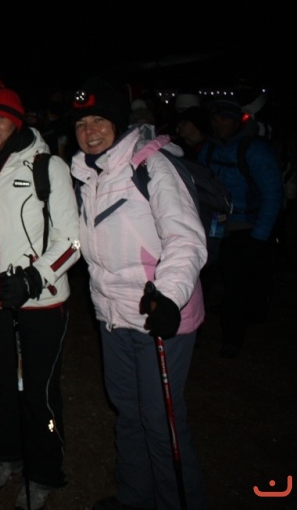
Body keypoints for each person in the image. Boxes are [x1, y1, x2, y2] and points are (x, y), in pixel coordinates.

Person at [69, 78, 208, 510]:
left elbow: (185, 238)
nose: (90, 131)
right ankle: (134, 497)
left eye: (100, 120)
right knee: (128, 412)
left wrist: (169, 297)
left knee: (161, 422)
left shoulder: (152, 165)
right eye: (82, 124)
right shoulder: (86, 176)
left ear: (118, 123)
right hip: (113, 317)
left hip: (158, 317)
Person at [0, 78, 81, 510]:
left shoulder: (48, 167)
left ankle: (44, 471)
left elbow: (71, 239)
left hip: (41, 303)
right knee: (2, 386)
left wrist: (34, 278)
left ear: (16, 121)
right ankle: (7, 455)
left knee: (38, 392)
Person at [197, 98, 283, 358]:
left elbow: (272, 195)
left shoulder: (254, 150)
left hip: (245, 226)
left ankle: (232, 339)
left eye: (224, 118)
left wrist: (259, 237)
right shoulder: (209, 148)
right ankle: (192, 330)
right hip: (215, 224)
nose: (218, 123)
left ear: (236, 121)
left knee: (236, 285)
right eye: (215, 119)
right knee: (201, 278)